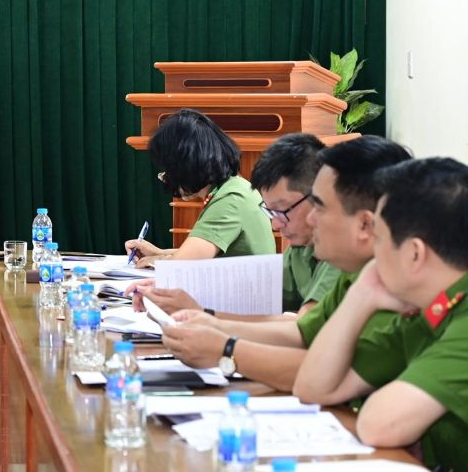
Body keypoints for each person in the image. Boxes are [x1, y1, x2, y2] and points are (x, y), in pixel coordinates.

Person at [158, 136, 410, 392]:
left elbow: (323, 379)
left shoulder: (393, 291)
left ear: (366, 224)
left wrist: (225, 349)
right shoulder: (358, 274)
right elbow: (302, 332)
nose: (312, 219)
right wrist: (210, 323)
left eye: (320, 208)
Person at [294, 157, 468, 467]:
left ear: (414, 254)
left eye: (380, 240)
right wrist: (362, 294)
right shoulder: (424, 310)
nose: (373, 254)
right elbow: (312, 387)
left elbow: (379, 425)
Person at [133, 133, 340, 317]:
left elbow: (302, 331)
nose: (276, 225)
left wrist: (203, 314)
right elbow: (257, 291)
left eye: (283, 210)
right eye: (271, 212)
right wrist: (179, 291)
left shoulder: (340, 252)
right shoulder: (300, 247)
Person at [124, 109, 275, 266]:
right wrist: (160, 253)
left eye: (169, 167)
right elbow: (211, 253)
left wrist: (159, 260)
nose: (167, 175)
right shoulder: (236, 187)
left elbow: (183, 265)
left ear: (185, 165)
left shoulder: (231, 199)